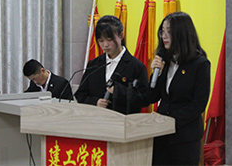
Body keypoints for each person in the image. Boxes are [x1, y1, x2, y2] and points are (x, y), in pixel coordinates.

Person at [147, 12, 211, 165]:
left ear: (182, 33)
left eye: (169, 31)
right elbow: (151, 97)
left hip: (185, 137)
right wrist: (156, 74)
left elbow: (198, 104)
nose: (164, 36)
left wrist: (170, 120)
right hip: (161, 135)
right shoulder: (164, 60)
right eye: (162, 31)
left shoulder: (200, 64)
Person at [74, 15, 147, 114]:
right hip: (96, 118)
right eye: (101, 41)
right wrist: (95, 102)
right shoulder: (94, 64)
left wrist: (119, 92)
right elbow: (81, 94)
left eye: (109, 40)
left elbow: (144, 99)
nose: (105, 45)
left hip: (122, 120)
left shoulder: (136, 66)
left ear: (121, 35)